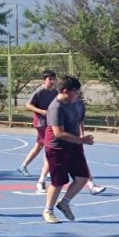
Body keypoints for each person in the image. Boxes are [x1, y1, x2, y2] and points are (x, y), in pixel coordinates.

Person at [42, 75, 95, 224]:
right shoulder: (56, 107)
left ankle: (64, 203)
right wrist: (81, 140)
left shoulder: (78, 103)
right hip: (57, 147)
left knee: (82, 177)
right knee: (58, 182)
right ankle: (48, 211)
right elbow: (58, 133)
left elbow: (80, 121)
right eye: (75, 91)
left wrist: (81, 138)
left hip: (74, 145)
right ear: (65, 91)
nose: (77, 94)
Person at [18, 70, 57, 193]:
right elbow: (28, 105)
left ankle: (23, 165)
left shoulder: (55, 92)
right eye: (50, 79)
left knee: (39, 145)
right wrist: (41, 111)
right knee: (48, 147)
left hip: (50, 123)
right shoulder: (39, 92)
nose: (52, 81)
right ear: (44, 80)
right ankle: (43, 178)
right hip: (41, 123)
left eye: (53, 79)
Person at [75, 93, 106, 195]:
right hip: (60, 140)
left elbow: (80, 121)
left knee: (82, 162)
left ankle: (91, 185)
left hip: (74, 139)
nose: (76, 92)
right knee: (54, 164)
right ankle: (42, 180)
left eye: (77, 90)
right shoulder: (59, 104)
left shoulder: (80, 104)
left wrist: (82, 137)